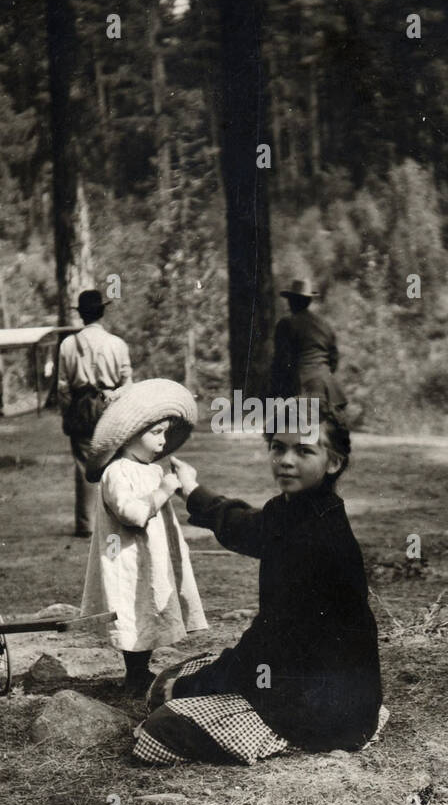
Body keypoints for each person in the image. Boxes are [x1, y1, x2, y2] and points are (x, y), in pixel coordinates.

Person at [132, 407, 385, 765]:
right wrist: (192, 491)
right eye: (278, 448)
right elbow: (249, 527)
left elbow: (270, 642)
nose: (285, 460)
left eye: (304, 451)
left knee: (161, 725)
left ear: (333, 463)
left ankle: (288, 736)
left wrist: (192, 688)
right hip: (316, 678)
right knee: (177, 677)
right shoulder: (299, 508)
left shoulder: (316, 537)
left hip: (323, 704)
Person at [81, 378, 207, 698]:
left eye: (164, 432)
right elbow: (132, 515)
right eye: (156, 433)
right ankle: (134, 672)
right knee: (133, 607)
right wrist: (164, 490)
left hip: (151, 556)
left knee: (149, 604)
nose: (163, 441)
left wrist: (178, 486)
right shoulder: (117, 472)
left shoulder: (150, 469)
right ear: (130, 436)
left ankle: (141, 668)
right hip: (127, 557)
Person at [58, 289, 133, 537]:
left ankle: (85, 524)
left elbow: (63, 387)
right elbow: (127, 383)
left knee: (83, 465)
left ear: (81, 315)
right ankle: (118, 518)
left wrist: (67, 414)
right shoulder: (117, 344)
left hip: (80, 408)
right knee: (114, 462)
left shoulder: (68, 345)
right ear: (102, 312)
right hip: (110, 407)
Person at [270, 278, 346, 418]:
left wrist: (273, 390)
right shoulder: (325, 325)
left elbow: (281, 361)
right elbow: (333, 361)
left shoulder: (286, 323)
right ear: (309, 301)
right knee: (339, 434)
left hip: (299, 387)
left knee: (276, 432)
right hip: (329, 390)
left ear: (291, 301)